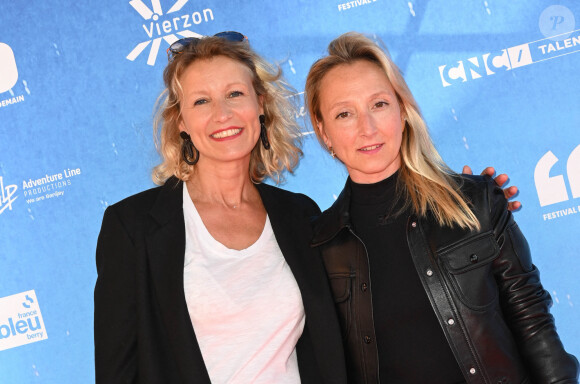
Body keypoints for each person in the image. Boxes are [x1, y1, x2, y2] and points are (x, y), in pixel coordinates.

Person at [305, 32, 579, 384]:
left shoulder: (475, 201)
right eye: (345, 113)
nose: (367, 128)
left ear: (403, 110)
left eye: (379, 104)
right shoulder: (321, 246)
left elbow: (533, 323)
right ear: (324, 131)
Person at [94, 32, 347, 383]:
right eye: (201, 101)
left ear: (260, 104)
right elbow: (116, 373)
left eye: (234, 94)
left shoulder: (300, 215)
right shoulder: (131, 227)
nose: (222, 114)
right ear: (180, 121)